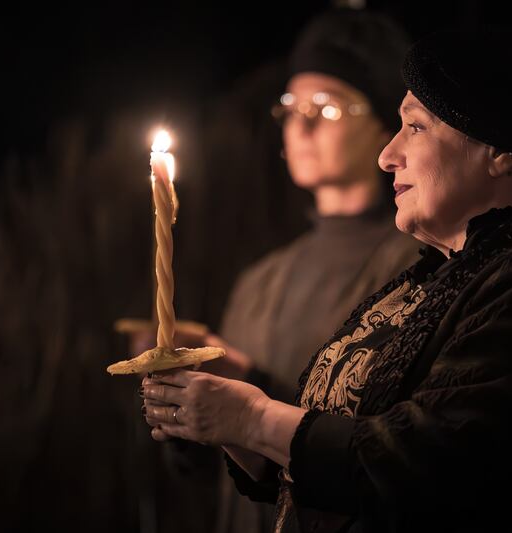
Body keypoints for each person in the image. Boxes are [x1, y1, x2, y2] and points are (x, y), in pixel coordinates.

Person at [141, 26, 512, 532]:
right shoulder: (431, 277)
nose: (388, 155)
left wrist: (253, 417)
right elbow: (323, 453)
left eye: (415, 128)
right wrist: (224, 421)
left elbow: (431, 461)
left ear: (500, 146)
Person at [153, 8, 420, 533]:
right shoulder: (262, 279)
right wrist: (186, 418)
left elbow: (385, 443)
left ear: (387, 126)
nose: (300, 124)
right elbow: (230, 475)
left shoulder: (411, 265)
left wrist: (249, 386)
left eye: (326, 106)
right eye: (290, 106)